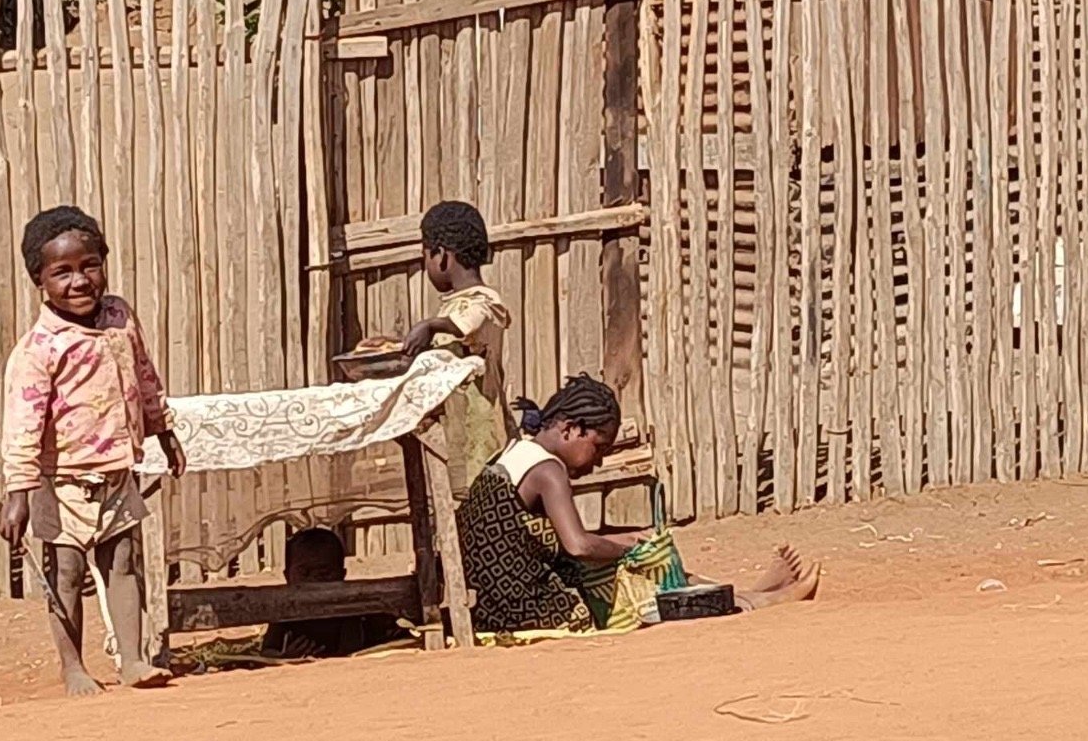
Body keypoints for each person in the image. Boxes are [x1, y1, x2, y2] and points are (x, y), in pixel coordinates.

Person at [456, 374, 818, 634]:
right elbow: (579, 546)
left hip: (493, 604)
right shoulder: (549, 470)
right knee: (641, 572)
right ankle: (755, 601)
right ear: (569, 429)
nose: (597, 462)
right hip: (530, 610)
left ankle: (742, 592)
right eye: (598, 447)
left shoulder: (514, 454)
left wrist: (624, 543)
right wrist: (628, 547)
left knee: (633, 558)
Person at [0, 205, 187, 696]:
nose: (79, 281)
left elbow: (144, 375)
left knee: (122, 565)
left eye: (90, 265)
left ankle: (132, 659)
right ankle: (73, 667)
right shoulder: (38, 350)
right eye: (62, 272)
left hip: (117, 473)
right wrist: (18, 493)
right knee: (67, 575)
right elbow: (22, 424)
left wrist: (162, 429)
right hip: (62, 484)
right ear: (40, 280)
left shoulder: (120, 318)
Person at [401, 201, 517, 493]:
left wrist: (432, 326)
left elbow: (471, 323)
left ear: (440, 256)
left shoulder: (486, 301)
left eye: (425, 256)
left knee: (483, 497)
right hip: (458, 435)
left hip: (484, 437)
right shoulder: (453, 307)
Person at [261, 528, 408, 658]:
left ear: (342, 574)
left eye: (324, 573)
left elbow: (394, 634)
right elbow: (267, 650)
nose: (314, 580)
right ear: (287, 576)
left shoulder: (355, 607)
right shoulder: (285, 611)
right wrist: (286, 656)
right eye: (304, 573)